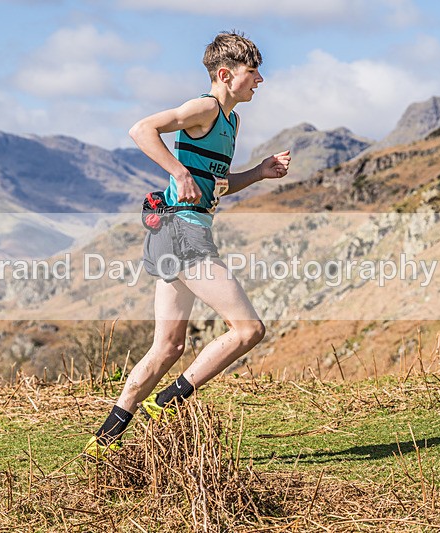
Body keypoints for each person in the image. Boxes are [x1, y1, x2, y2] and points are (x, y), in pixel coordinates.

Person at [84, 30, 291, 459]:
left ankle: (102, 441)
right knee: (249, 329)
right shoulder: (206, 108)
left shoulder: (231, 122)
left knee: (168, 347)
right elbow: (141, 130)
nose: (260, 81)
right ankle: (168, 402)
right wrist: (177, 172)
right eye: (253, 73)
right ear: (225, 73)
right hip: (182, 233)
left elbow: (215, 185)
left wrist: (259, 173)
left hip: (180, 231)